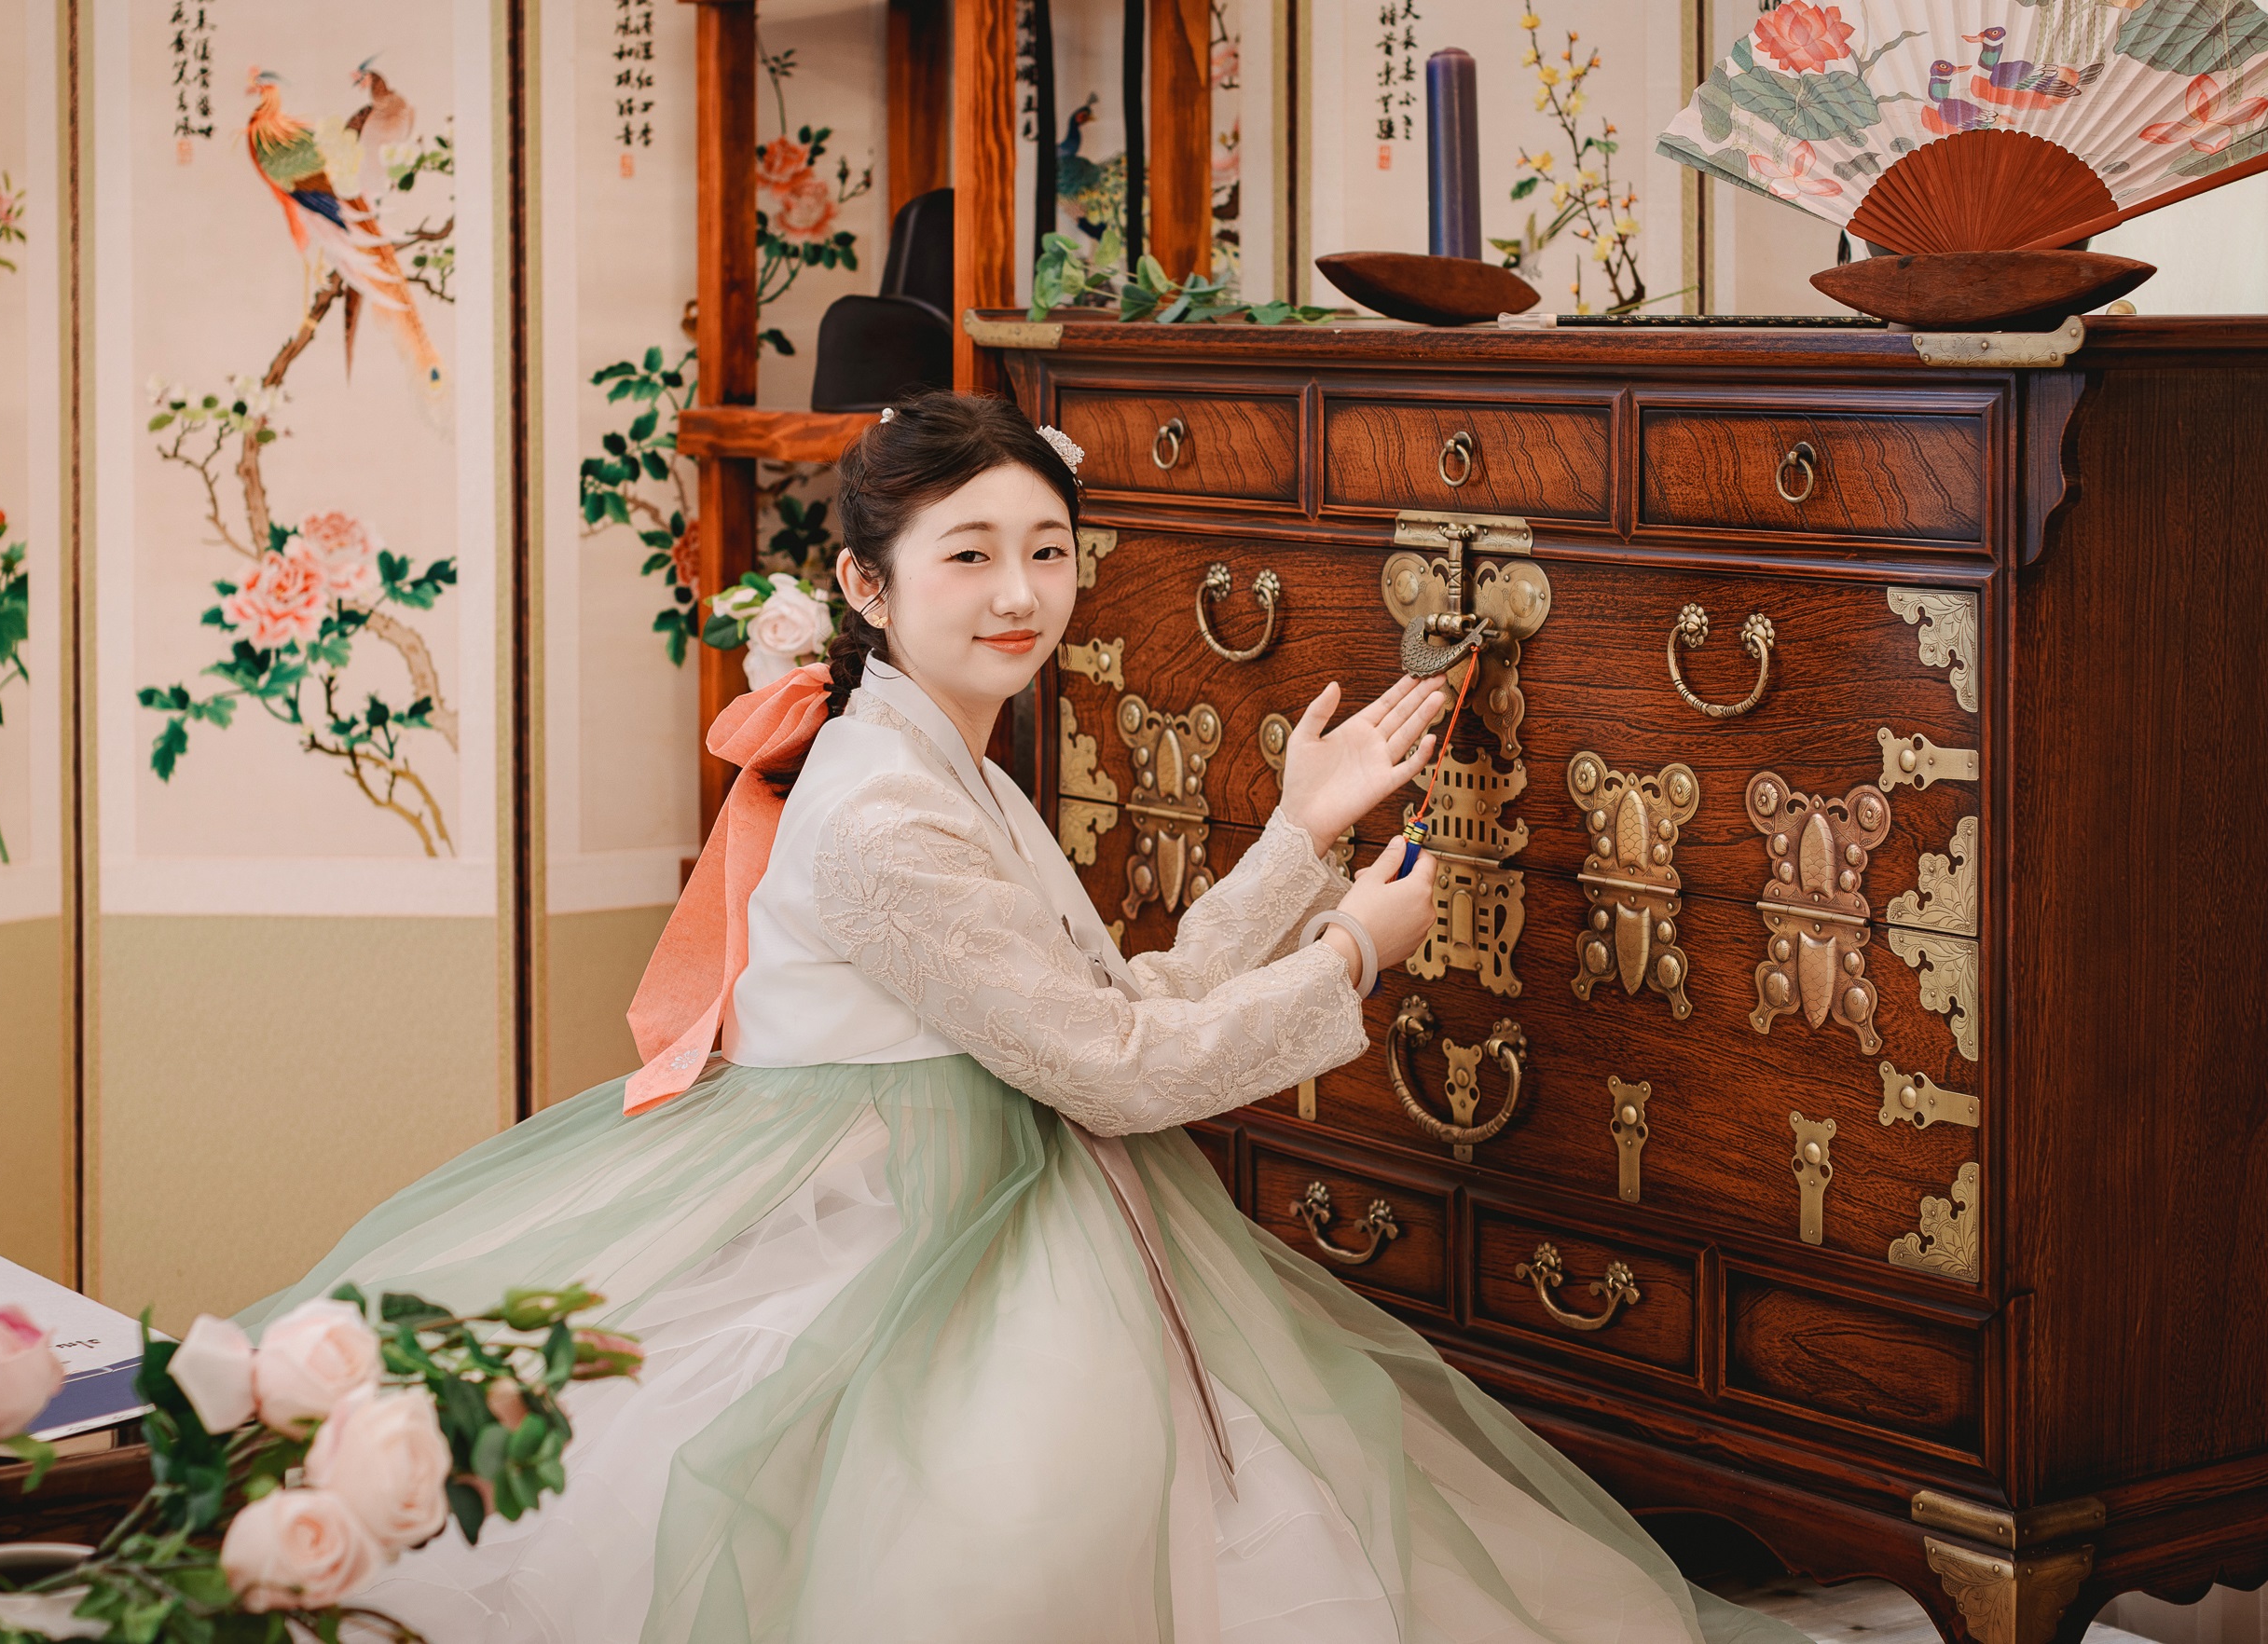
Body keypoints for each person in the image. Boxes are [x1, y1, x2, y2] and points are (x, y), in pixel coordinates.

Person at [241, 392, 1804, 1644]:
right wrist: (1348, 957)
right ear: (867, 584)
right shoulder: (884, 814)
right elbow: (1114, 1068)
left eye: (1047, 551)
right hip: (913, 1225)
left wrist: (1299, 832)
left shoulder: (934, 753)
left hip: (1008, 1182)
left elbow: (1106, 1008)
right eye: (969, 555)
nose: (1018, 595)